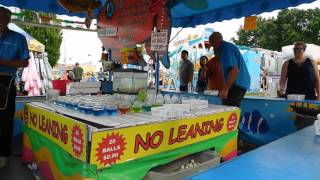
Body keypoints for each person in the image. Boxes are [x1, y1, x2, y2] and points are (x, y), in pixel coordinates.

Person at [0, 7, 29, 168]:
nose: (1, 20)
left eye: (4, 17)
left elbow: (25, 62)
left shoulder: (18, 38)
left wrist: (3, 62)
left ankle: (4, 154)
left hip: (6, 82)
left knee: (6, 120)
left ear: (9, 19)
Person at [209, 32, 250, 107]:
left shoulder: (226, 48)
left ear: (217, 40)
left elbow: (234, 70)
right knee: (230, 110)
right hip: (239, 83)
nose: (212, 46)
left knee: (229, 111)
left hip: (237, 84)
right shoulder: (227, 47)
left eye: (212, 43)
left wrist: (225, 89)